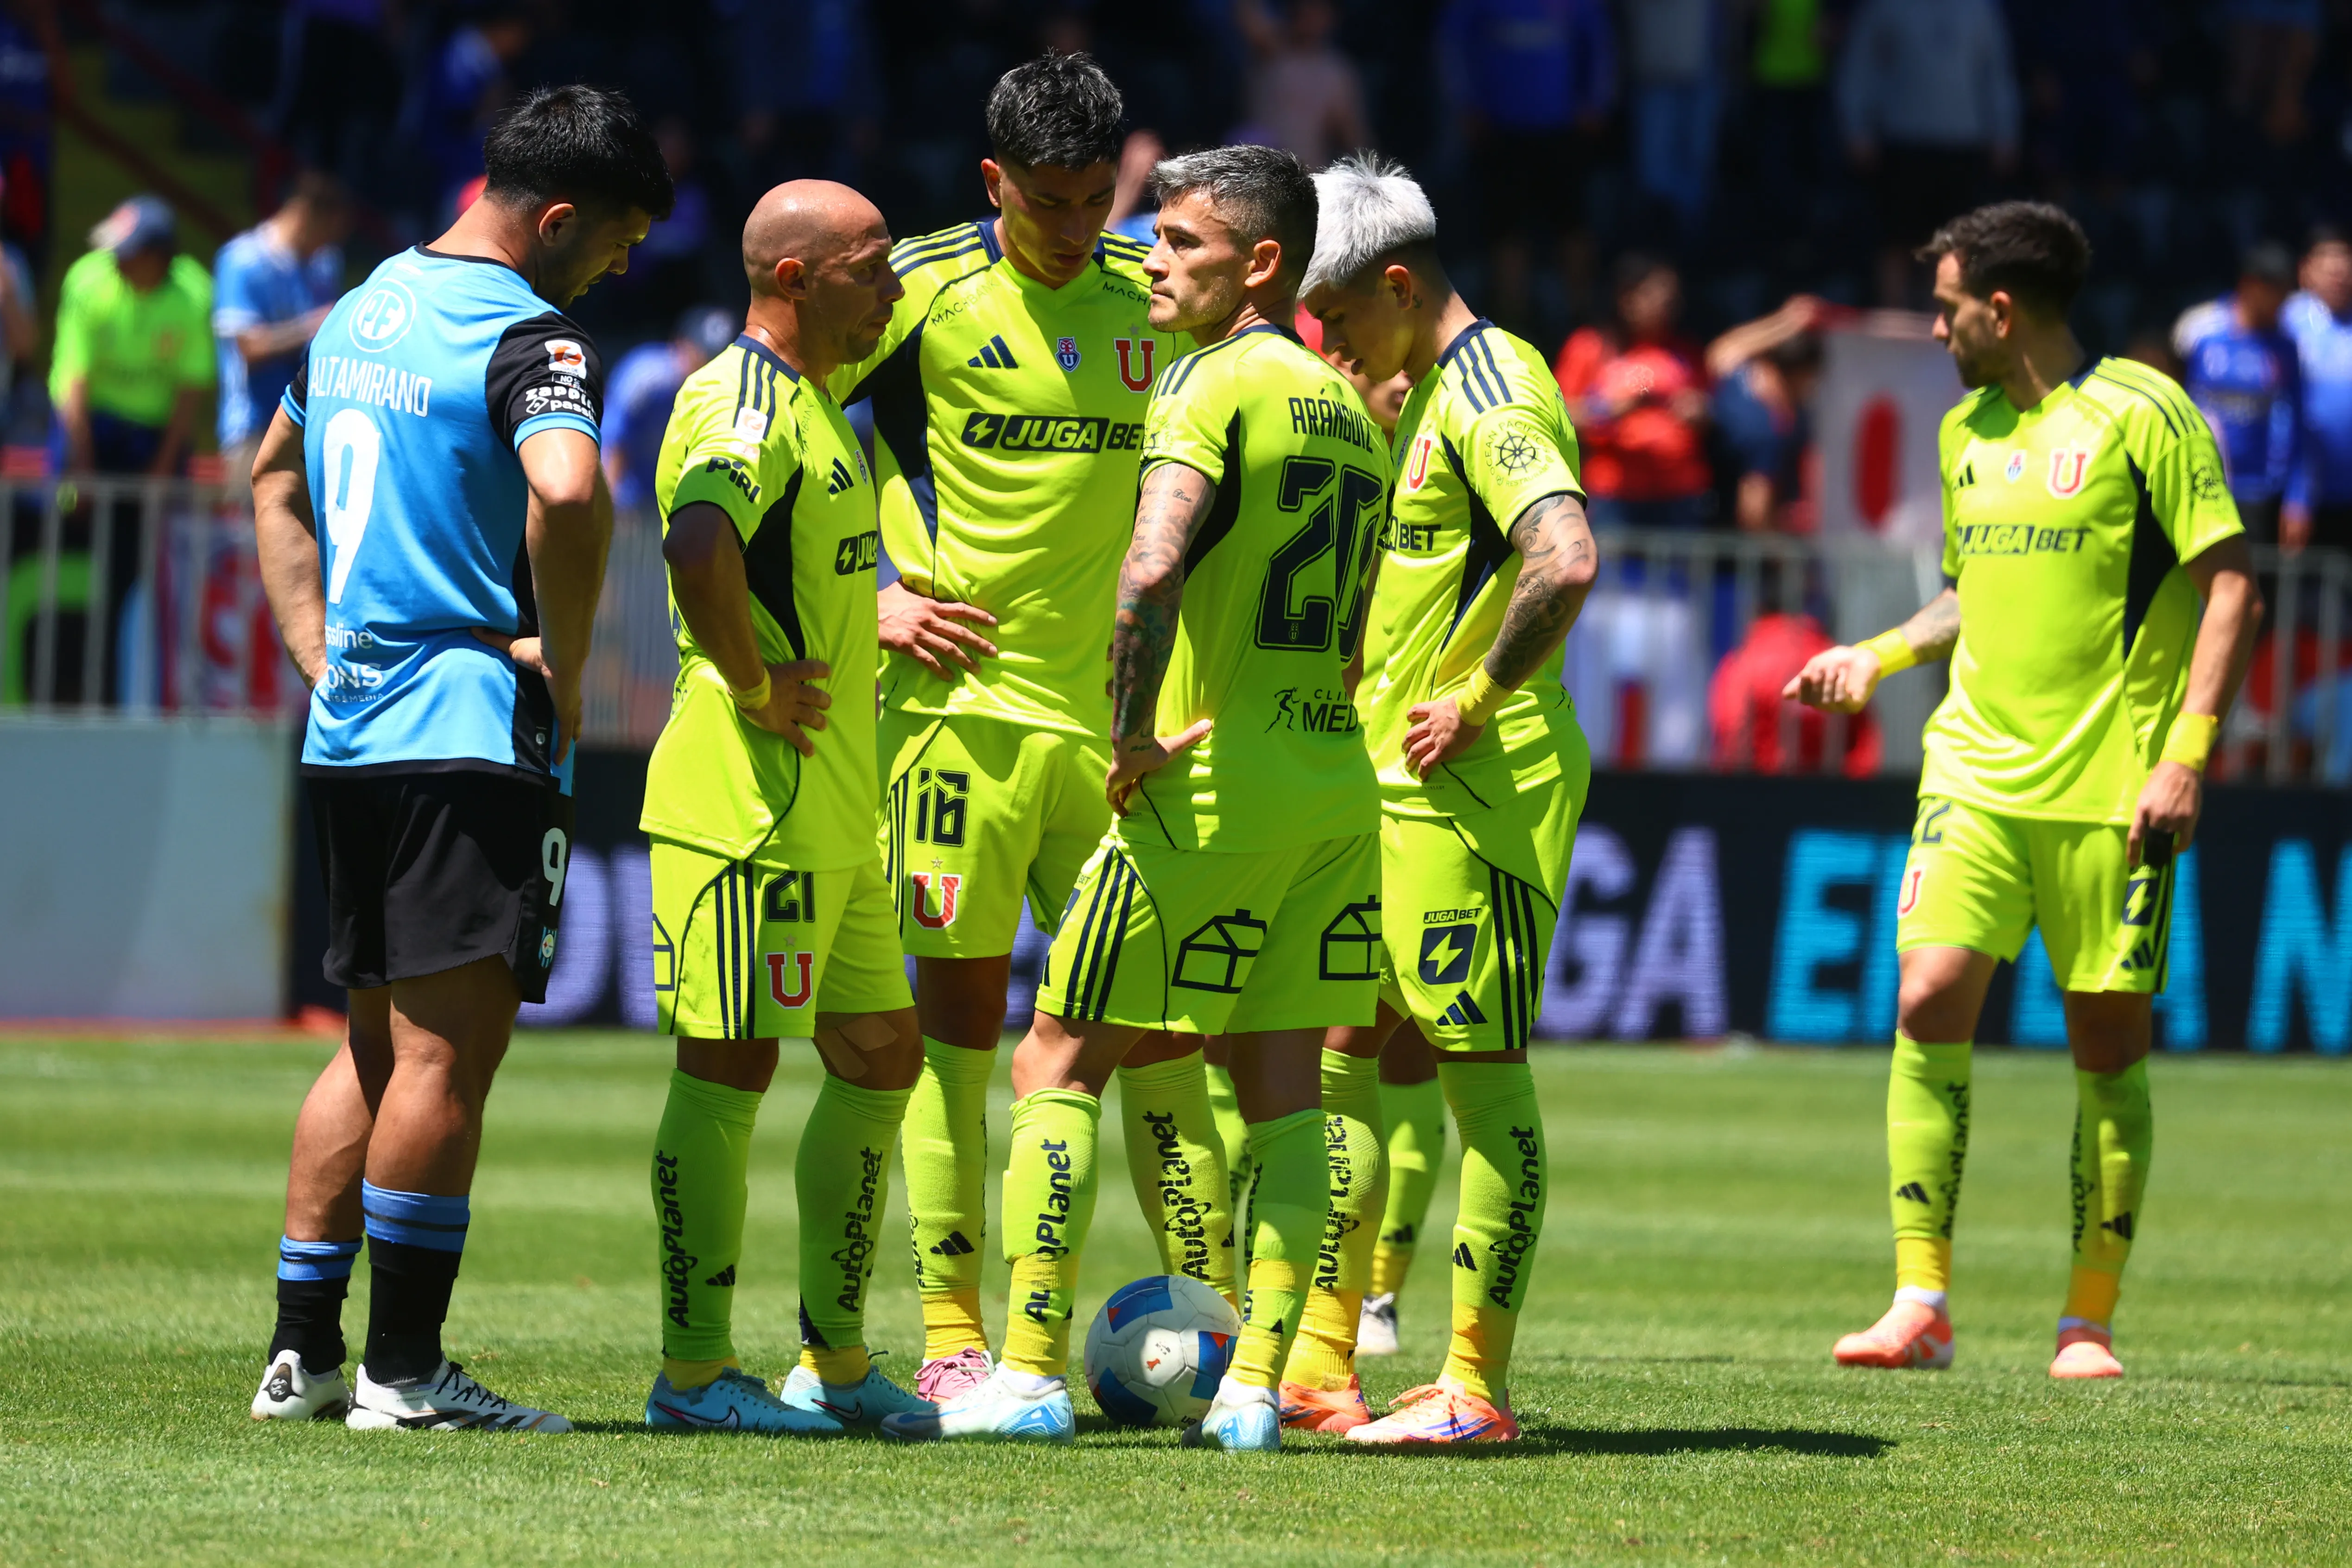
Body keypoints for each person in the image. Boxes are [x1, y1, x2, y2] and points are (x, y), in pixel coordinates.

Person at [887, 143, 1384, 1452]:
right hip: (1331, 783)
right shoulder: (1349, 408)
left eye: (1180, 243)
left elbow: (1150, 564)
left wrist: (1129, 734)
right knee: (1283, 1087)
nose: (1149, 261)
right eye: (1151, 238)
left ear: (1262, 263)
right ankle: (1254, 1389)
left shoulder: (1208, 380)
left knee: (1056, 1053)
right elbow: (1355, 626)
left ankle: (1031, 1371)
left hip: (1206, 787)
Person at [248, 84, 671, 1432]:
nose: (616, 271)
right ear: (554, 219)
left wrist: (318, 647)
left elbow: (270, 473)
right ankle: (404, 1370)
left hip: (353, 729)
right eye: (611, 244)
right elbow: (565, 487)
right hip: (466, 735)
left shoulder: (361, 305)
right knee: (445, 1058)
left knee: (372, 1044)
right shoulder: (531, 337)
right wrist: (564, 643)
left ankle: (303, 1353)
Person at [1788, 202, 2263, 1380]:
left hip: (2115, 788)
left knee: (2106, 1041)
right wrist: (1881, 653)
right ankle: (1920, 1300)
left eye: (1948, 310)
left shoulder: (2145, 414)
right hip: (1975, 776)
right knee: (1928, 996)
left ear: (2002, 310)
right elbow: (1970, 593)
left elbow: (2231, 584)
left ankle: (2085, 1320)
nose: (1939, 330)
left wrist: (2188, 752)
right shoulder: (1965, 432)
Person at [824, 53, 1224, 1409]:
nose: (1072, 227)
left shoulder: (1152, 294)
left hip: (1125, 731)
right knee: (956, 1032)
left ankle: (1215, 1327)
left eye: (1092, 199)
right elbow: (798, 406)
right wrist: (876, 584)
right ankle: (950, 1326)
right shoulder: (915, 284)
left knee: (1166, 1029)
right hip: (962, 721)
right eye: (1045, 202)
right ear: (992, 182)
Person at [1300, 153, 1597, 1443]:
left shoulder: (1491, 385)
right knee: (1340, 1054)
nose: (1326, 337)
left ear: (1401, 282)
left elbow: (1564, 553)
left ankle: (1475, 1384)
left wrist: (1470, 697)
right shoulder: (1416, 391)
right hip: (1388, 783)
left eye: (1337, 311)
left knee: (1481, 1075)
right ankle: (1323, 1363)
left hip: (1477, 788)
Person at [637, 181, 932, 1436]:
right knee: (733, 1063)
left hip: (836, 811)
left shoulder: (821, 407)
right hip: (747, 805)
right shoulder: (742, 397)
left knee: (883, 1060)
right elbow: (699, 543)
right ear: (799, 276)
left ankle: (838, 1354)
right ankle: (695, 1373)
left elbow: (782, 568)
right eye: (872, 266)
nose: (895, 288)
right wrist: (754, 682)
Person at [1441, 0, 1616, 336]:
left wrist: (1595, 102)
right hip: (1500, 129)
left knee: (1573, 227)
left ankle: (1580, 325)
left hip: (1563, 129)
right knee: (1507, 231)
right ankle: (1511, 322)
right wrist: (1466, 104)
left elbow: (1598, 44)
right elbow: (1454, 44)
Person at [1835, 0, 2020, 305]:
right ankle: (1892, 318)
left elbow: (1995, 71)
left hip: (1964, 141)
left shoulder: (1979, 9)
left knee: (1958, 244)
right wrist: (1857, 128)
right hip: (1902, 138)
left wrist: (2005, 131)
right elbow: (1861, 66)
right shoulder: (1885, 8)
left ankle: (1947, 321)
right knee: (1896, 239)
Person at [51, 196, 213, 476]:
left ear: (157, 257)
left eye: (125, 253)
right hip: (89, 420)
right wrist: (82, 461)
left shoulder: (195, 296)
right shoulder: (86, 280)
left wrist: (163, 468)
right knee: (67, 511)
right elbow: (72, 375)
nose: (116, 261)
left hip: (156, 430)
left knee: (155, 515)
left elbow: (191, 386)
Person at [213, 172, 350, 492]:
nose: (330, 243)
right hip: (253, 427)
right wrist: (313, 326)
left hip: (311, 422)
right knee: (249, 537)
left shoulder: (325, 263)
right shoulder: (243, 260)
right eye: (329, 232)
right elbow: (248, 348)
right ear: (306, 215)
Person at [1553, 254, 1711, 527]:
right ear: (1626, 299)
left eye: (1672, 297)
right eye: (1655, 294)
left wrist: (1699, 412)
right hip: (1613, 496)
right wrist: (1617, 408)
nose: (1667, 304)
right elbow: (1560, 416)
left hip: (1680, 494)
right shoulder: (1590, 347)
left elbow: (1709, 413)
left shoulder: (1686, 352)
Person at [2174, 242, 2306, 547]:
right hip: (2197, 480)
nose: (2283, 301)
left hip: (2256, 492)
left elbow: (2297, 421)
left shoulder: (2284, 347)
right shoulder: (2198, 328)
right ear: (2249, 285)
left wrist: (2296, 497)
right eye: (2276, 290)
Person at [1707, 293, 1828, 532]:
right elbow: (1754, 513)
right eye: (1811, 379)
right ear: (1796, 376)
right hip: (1738, 551)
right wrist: (1782, 563)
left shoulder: (1738, 378)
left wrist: (1786, 322)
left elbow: (1727, 346)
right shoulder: (1768, 429)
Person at [600, 305, 735, 510]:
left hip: (671, 504)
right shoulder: (647, 376)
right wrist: (608, 504)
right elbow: (615, 440)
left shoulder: (724, 388)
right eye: (702, 354)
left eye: (716, 357)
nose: (707, 363)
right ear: (681, 344)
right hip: (625, 502)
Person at [2285, 227, 2352, 553]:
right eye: (2329, 267)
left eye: (2346, 265)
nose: (2339, 275)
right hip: (2298, 493)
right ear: (2306, 271)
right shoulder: (2287, 321)